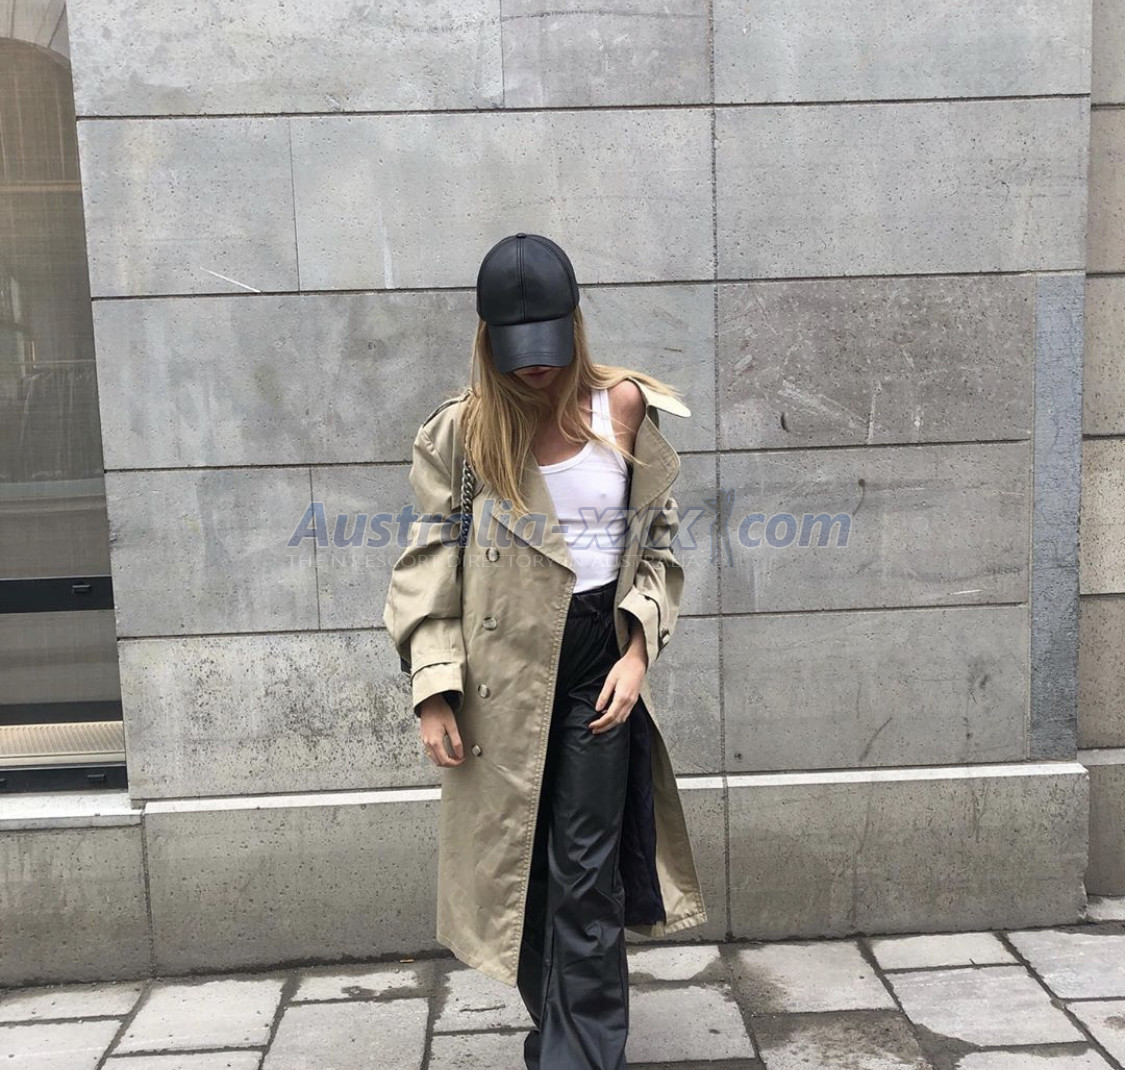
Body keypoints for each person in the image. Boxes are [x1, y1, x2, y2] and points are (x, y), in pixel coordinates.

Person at [383, 233, 707, 1070]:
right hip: (499, 673)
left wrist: (636, 653)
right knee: (521, 872)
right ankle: (561, 1034)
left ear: (575, 326)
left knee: (586, 876)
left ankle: (579, 1056)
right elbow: (427, 561)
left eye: (550, 344)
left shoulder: (624, 407)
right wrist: (433, 689)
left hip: (598, 657)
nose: (534, 365)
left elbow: (657, 546)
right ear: (487, 338)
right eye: (516, 347)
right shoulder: (462, 432)